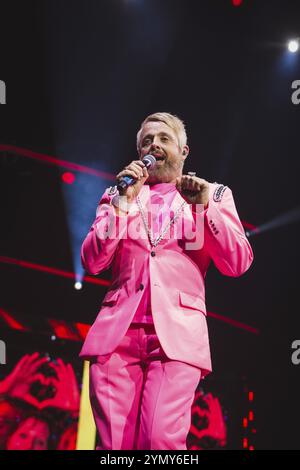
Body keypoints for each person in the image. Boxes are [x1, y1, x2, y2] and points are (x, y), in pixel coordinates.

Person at [79, 112, 254, 450]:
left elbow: (238, 263)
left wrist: (205, 209)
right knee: (113, 445)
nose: (153, 145)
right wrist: (121, 204)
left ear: (184, 151)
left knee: (160, 440)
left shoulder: (212, 195)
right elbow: (93, 261)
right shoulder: (119, 194)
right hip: (118, 336)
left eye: (163, 139)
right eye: (146, 140)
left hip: (176, 338)